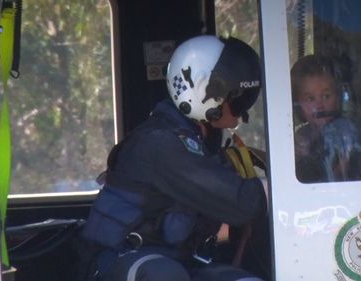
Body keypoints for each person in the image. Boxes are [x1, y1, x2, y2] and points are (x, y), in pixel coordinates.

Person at [77, 35, 268, 281]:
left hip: (177, 259)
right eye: (237, 96)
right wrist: (289, 183)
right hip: (120, 259)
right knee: (164, 275)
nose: (243, 105)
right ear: (202, 92)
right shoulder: (160, 143)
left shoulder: (200, 143)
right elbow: (242, 203)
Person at [291, 54, 361, 183]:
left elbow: (342, 175)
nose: (319, 105)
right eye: (310, 99)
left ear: (338, 97)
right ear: (297, 105)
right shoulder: (302, 135)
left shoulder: (346, 132)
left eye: (326, 96)